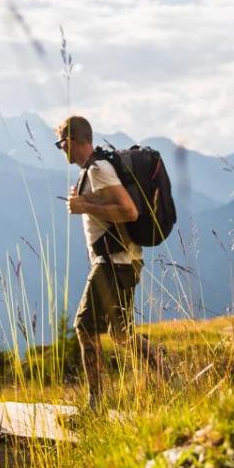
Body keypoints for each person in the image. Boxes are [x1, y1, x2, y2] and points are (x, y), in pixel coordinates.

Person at [59, 115, 155, 411]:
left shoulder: (99, 169)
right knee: (121, 334)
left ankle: (96, 405)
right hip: (123, 260)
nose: (61, 149)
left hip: (114, 262)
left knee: (85, 328)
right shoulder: (93, 169)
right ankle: (172, 375)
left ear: (73, 141)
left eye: (62, 143)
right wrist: (86, 203)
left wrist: (85, 206)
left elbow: (129, 211)